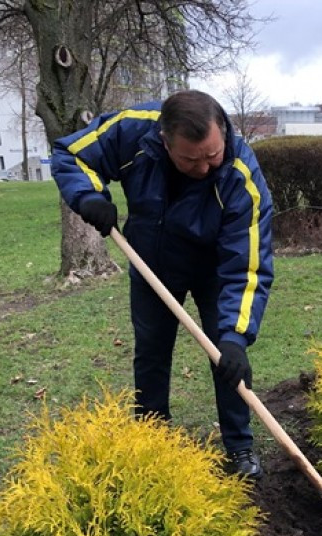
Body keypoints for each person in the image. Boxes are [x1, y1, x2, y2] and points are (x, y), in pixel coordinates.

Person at [51, 90, 274, 480]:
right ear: (164, 140)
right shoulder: (133, 130)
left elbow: (248, 264)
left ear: (222, 130)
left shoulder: (241, 174)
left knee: (228, 359)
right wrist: (89, 196)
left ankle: (239, 446)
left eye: (212, 154)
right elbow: (70, 153)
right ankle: (152, 439)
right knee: (151, 354)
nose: (205, 168)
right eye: (191, 159)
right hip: (151, 261)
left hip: (215, 271)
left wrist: (236, 336)